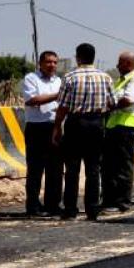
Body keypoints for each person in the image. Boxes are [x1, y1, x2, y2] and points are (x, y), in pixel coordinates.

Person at [52, 43, 115, 221]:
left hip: (75, 123)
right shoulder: (106, 77)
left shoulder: (70, 77)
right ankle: (92, 209)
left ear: (78, 57)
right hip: (96, 123)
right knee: (93, 169)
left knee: (72, 168)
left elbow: (63, 106)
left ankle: (70, 209)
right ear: (93, 57)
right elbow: (112, 102)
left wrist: (57, 127)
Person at [101, 52, 134, 213]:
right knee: (110, 166)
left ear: (128, 64)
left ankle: (121, 202)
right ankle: (109, 200)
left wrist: (109, 107)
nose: (117, 66)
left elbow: (128, 100)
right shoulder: (122, 81)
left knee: (122, 166)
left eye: (119, 63)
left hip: (127, 127)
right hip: (115, 127)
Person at [21, 50, 63, 217]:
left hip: (54, 126)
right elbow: (32, 100)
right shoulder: (31, 79)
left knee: (55, 169)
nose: (52, 65)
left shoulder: (59, 81)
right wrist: (56, 96)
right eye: (48, 62)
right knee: (35, 169)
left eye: (54, 62)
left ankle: (52, 204)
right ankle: (33, 205)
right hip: (36, 128)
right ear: (40, 63)